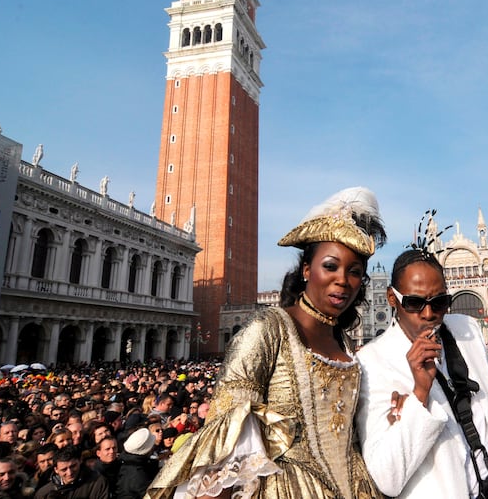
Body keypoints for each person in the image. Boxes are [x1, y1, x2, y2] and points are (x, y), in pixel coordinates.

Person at [146, 187, 387, 499]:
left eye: (354, 272)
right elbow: (226, 436)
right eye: (330, 266)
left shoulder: (340, 339)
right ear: (306, 270)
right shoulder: (269, 328)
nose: (342, 279)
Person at [355, 245, 488, 498]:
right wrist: (420, 393)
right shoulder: (373, 362)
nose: (428, 314)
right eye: (414, 302)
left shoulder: (466, 331)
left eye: (439, 302)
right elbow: (387, 477)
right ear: (392, 298)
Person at [34, 445, 109, 498]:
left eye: (73, 466)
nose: (69, 473)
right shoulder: (43, 493)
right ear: (56, 470)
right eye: (64, 469)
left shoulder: (97, 483)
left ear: (80, 461)